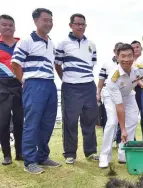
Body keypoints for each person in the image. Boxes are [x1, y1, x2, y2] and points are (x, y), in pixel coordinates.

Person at [11, 8, 61, 174]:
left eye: (50, 20)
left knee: (48, 123)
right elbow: (15, 64)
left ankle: (42, 156)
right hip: (34, 84)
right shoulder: (27, 40)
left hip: (49, 84)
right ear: (36, 21)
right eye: (45, 20)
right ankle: (30, 161)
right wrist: (23, 81)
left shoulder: (51, 42)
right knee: (32, 124)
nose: (49, 23)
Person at [99, 44, 143, 168]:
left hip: (128, 95)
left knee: (132, 121)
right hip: (112, 97)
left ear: (134, 56)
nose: (126, 59)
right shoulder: (113, 77)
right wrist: (122, 129)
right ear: (117, 57)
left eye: (129, 56)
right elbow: (119, 107)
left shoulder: (139, 68)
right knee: (112, 122)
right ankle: (104, 156)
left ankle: (124, 153)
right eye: (123, 56)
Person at [55, 13, 98, 164]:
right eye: (77, 24)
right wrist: (66, 79)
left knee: (89, 120)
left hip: (89, 86)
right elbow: (57, 65)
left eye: (83, 24)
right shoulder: (63, 43)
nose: (80, 26)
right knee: (70, 121)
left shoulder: (91, 44)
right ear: (71, 25)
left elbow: (92, 65)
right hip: (70, 88)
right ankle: (70, 153)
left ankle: (91, 151)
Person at [0, 14, 23, 165]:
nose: (8, 27)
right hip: (1, 86)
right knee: (3, 122)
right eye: (4, 25)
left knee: (20, 121)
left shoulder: (22, 43)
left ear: (14, 27)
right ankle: (6, 154)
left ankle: (20, 153)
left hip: (20, 85)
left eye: (10, 25)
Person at [98, 42, 123, 145]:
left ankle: (120, 142)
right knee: (111, 121)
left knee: (123, 120)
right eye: (118, 50)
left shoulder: (127, 63)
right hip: (109, 95)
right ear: (114, 51)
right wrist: (98, 93)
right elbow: (101, 81)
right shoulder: (106, 64)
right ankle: (107, 145)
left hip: (123, 95)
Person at [131, 40, 143, 140]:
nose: (135, 49)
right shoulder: (128, 61)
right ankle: (131, 139)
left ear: (141, 48)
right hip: (133, 90)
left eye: (137, 47)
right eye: (133, 47)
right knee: (132, 115)